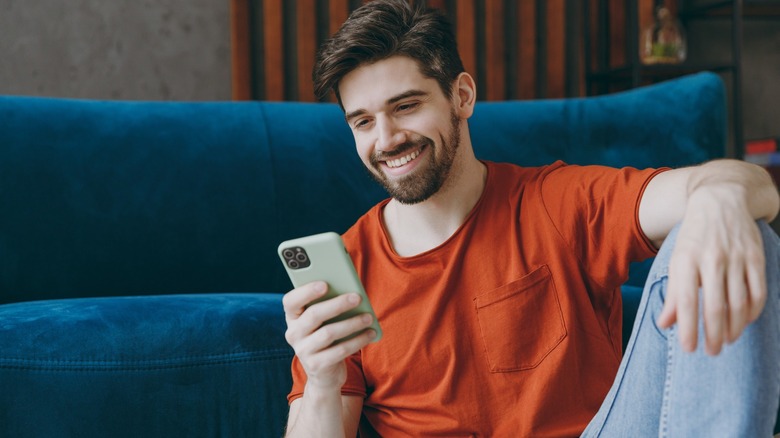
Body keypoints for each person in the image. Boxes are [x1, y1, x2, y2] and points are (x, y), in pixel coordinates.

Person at [282, 0, 780, 436]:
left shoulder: (555, 202)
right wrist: (322, 380)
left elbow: (750, 184)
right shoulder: (346, 274)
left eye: (406, 106)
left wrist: (720, 203)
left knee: (736, 224)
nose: (386, 139)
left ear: (462, 96)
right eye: (363, 122)